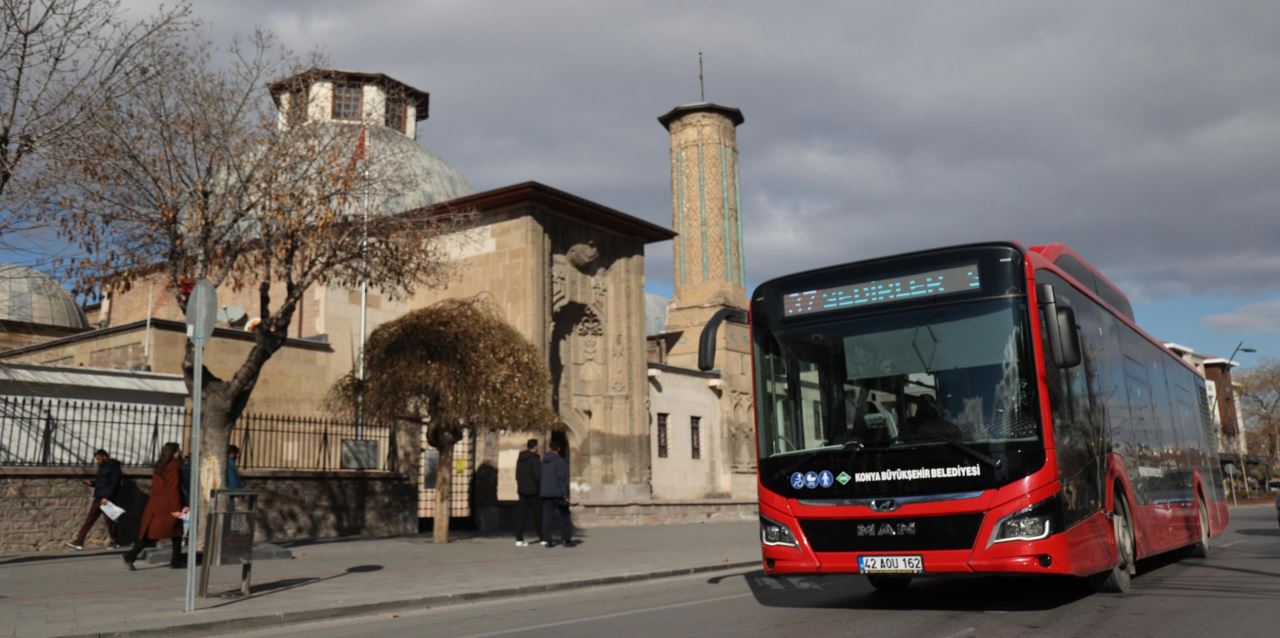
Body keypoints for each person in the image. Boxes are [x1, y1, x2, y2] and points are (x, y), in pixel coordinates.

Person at [122, 442, 186, 570]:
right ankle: (175, 561)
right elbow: (173, 488)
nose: (180, 453)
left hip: (155, 503)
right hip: (167, 503)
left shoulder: (160, 465)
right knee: (176, 533)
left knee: (151, 533)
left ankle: (131, 555)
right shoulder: (174, 466)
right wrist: (176, 508)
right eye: (178, 451)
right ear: (174, 452)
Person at [65, 449, 122, 550]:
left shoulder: (114, 467)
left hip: (106, 499)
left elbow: (114, 484)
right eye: (96, 459)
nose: (97, 461)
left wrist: (106, 497)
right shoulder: (102, 467)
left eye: (98, 458)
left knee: (110, 521)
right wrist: (92, 483)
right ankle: (79, 541)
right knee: (89, 520)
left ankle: (115, 541)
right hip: (98, 497)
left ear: (104, 456)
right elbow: (102, 482)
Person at [540, 441, 574, 547]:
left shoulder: (543, 461)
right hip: (558, 493)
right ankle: (566, 539)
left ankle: (547, 540)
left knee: (547, 517)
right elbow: (562, 479)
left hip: (545, 493)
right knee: (564, 516)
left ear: (550, 448)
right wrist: (566, 494)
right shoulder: (560, 461)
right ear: (558, 449)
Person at [514, 438, 542, 546]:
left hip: (521, 489)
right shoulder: (534, 459)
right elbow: (537, 476)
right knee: (537, 514)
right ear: (535, 447)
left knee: (521, 514)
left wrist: (520, 484)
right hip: (533, 490)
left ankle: (519, 539)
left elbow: (517, 474)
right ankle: (543, 537)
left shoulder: (520, 458)